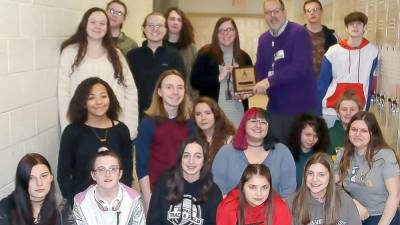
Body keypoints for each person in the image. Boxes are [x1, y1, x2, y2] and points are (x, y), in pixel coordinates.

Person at [58, 7, 138, 140]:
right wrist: (68, 129)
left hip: (113, 124)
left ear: (107, 27)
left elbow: (130, 90)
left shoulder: (116, 54)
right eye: (93, 22)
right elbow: (63, 93)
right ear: (85, 24)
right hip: (81, 125)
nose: (98, 26)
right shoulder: (70, 53)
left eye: (102, 23)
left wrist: (130, 128)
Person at [58, 77, 133, 205]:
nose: (99, 102)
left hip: (116, 204)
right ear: (83, 102)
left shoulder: (122, 130)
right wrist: (75, 205)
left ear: (110, 98)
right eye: (91, 97)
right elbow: (63, 176)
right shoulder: (72, 132)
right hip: (84, 205)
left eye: (103, 96)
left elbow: (126, 171)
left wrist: (120, 201)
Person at [253, 0, 317, 146]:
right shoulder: (263, 39)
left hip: (300, 109)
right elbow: (260, 69)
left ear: (284, 12)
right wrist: (248, 86)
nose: (272, 16)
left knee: (300, 154)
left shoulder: (299, 33)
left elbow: (298, 67)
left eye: (276, 11)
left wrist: (269, 81)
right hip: (275, 109)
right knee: (276, 153)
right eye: (268, 12)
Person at [135, 70, 195, 210]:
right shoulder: (148, 123)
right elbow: (142, 166)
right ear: (159, 92)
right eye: (169, 87)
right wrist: (149, 199)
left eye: (180, 87)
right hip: (156, 194)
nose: (175, 92)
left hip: (184, 193)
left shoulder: (190, 124)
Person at [212, 107, 296, 198]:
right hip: (233, 209)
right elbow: (217, 190)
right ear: (244, 124)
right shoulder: (226, 152)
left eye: (263, 122)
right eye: (253, 121)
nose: (258, 125)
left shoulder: (282, 152)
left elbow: (289, 191)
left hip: (273, 209)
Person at [335, 112, 400, 225]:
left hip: (382, 215)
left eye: (364, 131)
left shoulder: (385, 156)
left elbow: (395, 195)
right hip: (354, 213)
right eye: (354, 129)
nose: (357, 134)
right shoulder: (343, 154)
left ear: (373, 134)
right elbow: (333, 185)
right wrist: (352, 202)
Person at [318, 12, 378, 127]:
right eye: (351, 24)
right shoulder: (333, 51)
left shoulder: (373, 52)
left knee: (355, 142)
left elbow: (371, 84)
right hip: (331, 109)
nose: (355, 27)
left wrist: (366, 110)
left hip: (358, 110)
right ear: (346, 28)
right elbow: (322, 83)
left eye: (358, 24)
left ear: (364, 27)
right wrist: (317, 111)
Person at [191, 17, 253, 127]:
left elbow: (249, 87)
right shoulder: (205, 55)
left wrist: (243, 94)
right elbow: (194, 82)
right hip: (213, 116)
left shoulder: (244, 57)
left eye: (230, 29)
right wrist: (218, 78)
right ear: (216, 34)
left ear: (236, 33)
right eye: (221, 30)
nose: (226, 33)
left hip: (237, 114)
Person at [147, 136, 222, 225]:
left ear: (204, 161)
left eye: (197, 156)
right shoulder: (163, 183)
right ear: (180, 158)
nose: (191, 161)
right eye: (186, 155)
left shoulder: (214, 191)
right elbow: (153, 221)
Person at [126, 12, 186, 121]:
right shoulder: (132, 55)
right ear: (144, 29)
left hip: (167, 115)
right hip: (137, 115)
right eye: (151, 25)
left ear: (166, 29)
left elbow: (182, 86)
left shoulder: (175, 56)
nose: (155, 29)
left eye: (159, 25)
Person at [0, 153, 76, 225]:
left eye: (44, 176)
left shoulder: (61, 206)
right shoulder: (5, 210)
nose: (39, 183)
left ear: (51, 177)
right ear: (21, 181)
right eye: (31, 178)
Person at [73, 150, 146, 225]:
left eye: (113, 169)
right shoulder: (80, 203)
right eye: (101, 169)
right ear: (93, 175)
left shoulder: (134, 200)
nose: (107, 174)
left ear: (120, 174)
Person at [287, 153, 362, 225]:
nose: (315, 179)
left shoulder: (345, 200)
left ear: (330, 177)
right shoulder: (293, 202)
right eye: (310, 173)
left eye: (321, 174)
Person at [216, 164, 291, 225]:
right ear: (242, 187)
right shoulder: (228, 207)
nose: (259, 193)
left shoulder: (280, 208)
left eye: (264, 187)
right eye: (253, 187)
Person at [288, 114, 329, 189]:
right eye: (308, 134)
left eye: (316, 136)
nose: (311, 139)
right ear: (298, 132)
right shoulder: (286, 154)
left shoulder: (322, 157)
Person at [164, 7, 197, 98]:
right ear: (165, 22)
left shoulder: (191, 49)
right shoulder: (159, 46)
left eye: (179, 20)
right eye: (172, 19)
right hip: (162, 97)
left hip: (186, 97)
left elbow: (195, 78)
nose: (175, 22)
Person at [192, 96, 236, 164]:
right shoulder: (193, 142)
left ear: (216, 114)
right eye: (198, 114)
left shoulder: (230, 140)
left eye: (207, 113)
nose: (203, 118)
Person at [303, 0, 339, 76]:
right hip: (302, 83)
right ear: (305, 14)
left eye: (315, 10)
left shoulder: (332, 36)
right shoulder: (296, 35)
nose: (312, 13)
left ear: (321, 11)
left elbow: (338, 61)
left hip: (326, 84)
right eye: (308, 11)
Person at [328, 90, 363, 155]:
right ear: (338, 113)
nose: (348, 113)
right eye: (344, 109)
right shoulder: (328, 135)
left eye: (352, 109)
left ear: (359, 112)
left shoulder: (366, 135)